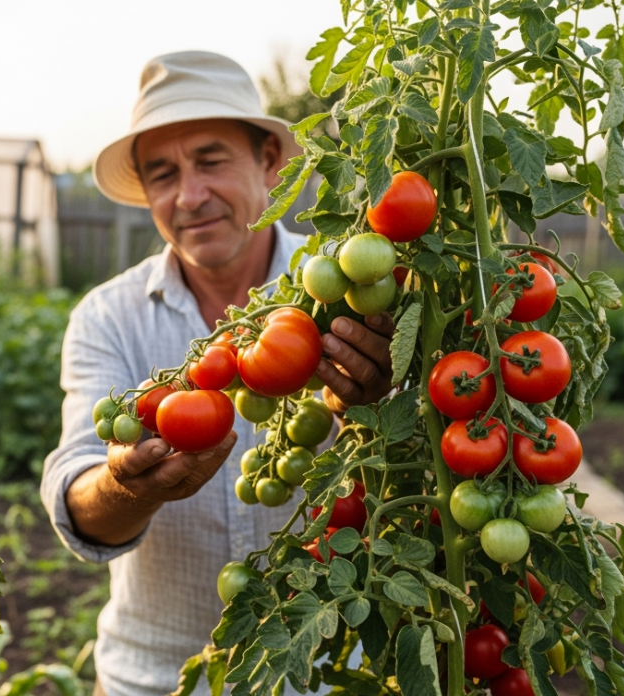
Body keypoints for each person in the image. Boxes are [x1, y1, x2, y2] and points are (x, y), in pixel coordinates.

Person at [40, 51, 394, 696]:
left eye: (210, 161)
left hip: (324, 678)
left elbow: (425, 480)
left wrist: (379, 410)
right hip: (150, 679)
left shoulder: (352, 292)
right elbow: (81, 508)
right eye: (163, 174)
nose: (189, 196)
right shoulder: (107, 316)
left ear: (268, 160)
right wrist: (128, 485)